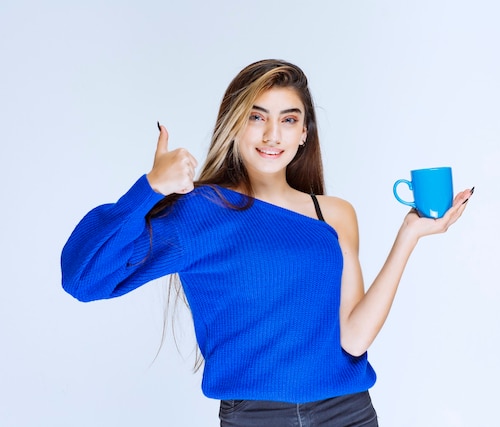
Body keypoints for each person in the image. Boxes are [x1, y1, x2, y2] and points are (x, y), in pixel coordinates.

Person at [61, 59, 473, 426]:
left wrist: (407, 238)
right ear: (234, 123)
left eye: (289, 120)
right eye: (258, 117)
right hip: (256, 417)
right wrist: (150, 188)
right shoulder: (198, 211)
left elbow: (354, 339)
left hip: (349, 412)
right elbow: (84, 279)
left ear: (304, 134)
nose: (273, 134)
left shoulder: (334, 213)